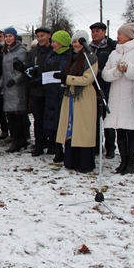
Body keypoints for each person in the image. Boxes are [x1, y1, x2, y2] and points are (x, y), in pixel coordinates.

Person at [102, 23, 134, 174]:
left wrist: (129, 68)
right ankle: (123, 161)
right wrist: (116, 71)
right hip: (117, 97)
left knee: (132, 131)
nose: (117, 37)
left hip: (132, 97)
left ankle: (131, 162)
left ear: (129, 35)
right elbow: (105, 74)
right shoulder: (114, 53)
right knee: (120, 130)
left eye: (120, 34)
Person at [55, 30, 98, 173]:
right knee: (71, 128)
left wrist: (67, 79)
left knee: (82, 130)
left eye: (79, 41)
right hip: (71, 96)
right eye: (74, 41)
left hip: (83, 97)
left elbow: (88, 79)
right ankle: (71, 160)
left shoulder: (91, 58)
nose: (76, 44)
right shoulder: (73, 58)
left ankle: (84, 162)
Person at [19, 26, 52, 156]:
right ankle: (39, 143)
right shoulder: (33, 53)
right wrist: (28, 73)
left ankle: (52, 143)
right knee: (38, 118)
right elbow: (28, 69)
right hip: (36, 91)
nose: (40, 39)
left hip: (50, 90)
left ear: (49, 36)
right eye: (38, 36)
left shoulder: (52, 51)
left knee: (50, 117)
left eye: (42, 36)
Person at [39, 30, 71, 162]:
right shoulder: (50, 55)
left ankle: (67, 149)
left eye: (54, 42)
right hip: (51, 92)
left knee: (65, 122)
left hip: (64, 93)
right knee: (52, 121)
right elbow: (45, 71)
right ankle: (57, 148)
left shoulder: (70, 56)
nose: (52, 44)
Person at [0, 27, 29, 152]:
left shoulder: (21, 51)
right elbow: (4, 72)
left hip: (17, 87)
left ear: (15, 37)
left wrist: (15, 81)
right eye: (6, 36)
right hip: (7, 87)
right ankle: (17, 139)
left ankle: (19, 139)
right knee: (10, 116)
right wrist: (0, 84)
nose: (8, 38)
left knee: (18, 116)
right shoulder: (6, 52)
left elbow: (25, 70)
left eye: (10, 36)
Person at [89, 22, 117, 159]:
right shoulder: (89, 48)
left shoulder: (112, 47)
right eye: (93, 31)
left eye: (97, 31)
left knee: (108, 120)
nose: (95, 34)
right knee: (93, 119)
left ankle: (110, 147)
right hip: (92, 87)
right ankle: (96, 145)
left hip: (107, 87)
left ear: (104, 32)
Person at [0, 30, 9, 139]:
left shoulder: (7, 50)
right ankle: (4, 130)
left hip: (8, 82)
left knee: (10, 110)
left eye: (1, 36)